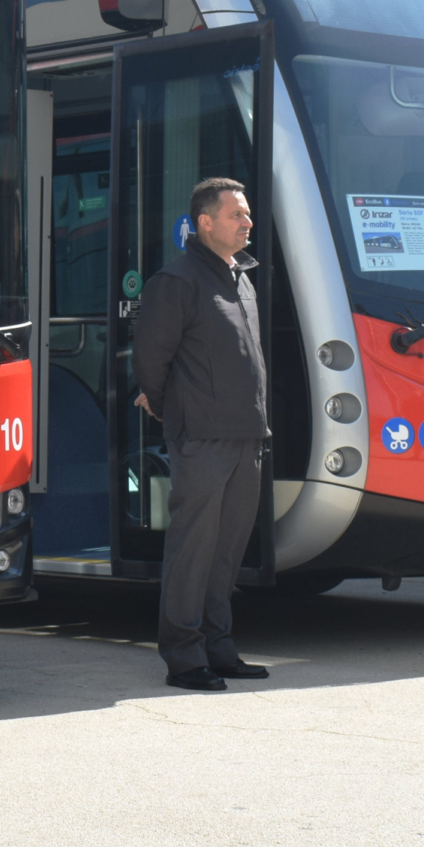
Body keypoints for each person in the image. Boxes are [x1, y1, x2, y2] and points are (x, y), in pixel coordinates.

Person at [132, 177, 271, 690]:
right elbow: (151, 360)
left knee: (226, 550)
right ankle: (185, 658)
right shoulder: (177, 281)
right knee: (194, 549)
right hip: (202, 438)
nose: (247, 223)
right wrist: (175, 410)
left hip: (247, 435)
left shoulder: (242, 278)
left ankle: (219, 647)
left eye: (248, 214)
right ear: (205, 222)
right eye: (236, 214)